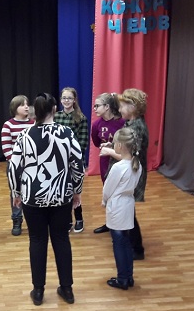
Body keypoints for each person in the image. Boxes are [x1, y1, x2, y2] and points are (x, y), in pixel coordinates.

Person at [8, 93, 85, 306]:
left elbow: (14, 167)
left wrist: (16, 192)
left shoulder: (24, 135)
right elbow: (78, 164)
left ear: (36, 111)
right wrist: (77, 190)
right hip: (61, 196)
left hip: (32, 197)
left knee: (37, 240)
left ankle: (38, 291)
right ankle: (67, 289)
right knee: (61, 239)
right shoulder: (66, 133)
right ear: (53, 109)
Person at [99, 88, 149, 260]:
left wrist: (109, 152)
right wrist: (112, 145)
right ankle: (119, 230)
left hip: (130, 173)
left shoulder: (137, 128)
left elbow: (131, 156)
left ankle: (137, 248)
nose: (119, 110)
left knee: (128, 211)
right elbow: (126, 146)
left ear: (132, 107)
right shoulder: (130, 123)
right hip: (126, 171)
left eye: (121, 106)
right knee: (127, 209)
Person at [101, 127, 143, 290]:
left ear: (119, 145)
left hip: (117, 206)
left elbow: (108, 189)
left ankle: (122, 278)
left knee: (118, 243)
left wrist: (104, 201)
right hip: (128, 204)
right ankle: (128, 276)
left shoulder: (118, 167)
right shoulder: (136, 164)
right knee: (126, 243)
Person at [54, 87, 89, 233]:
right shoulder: (56, 117)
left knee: (75, 190)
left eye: (69, 98)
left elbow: (83, 143)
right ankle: (67, 220)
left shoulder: (81, 118)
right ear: (60, 100)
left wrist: (70, 156)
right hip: (58, 162)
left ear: (74, 100)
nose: (66, 100)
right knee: (63, 191)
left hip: (74, 162)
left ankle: (79, 219)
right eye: (64, 98)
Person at [90, 92, 125, 234]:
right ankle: (110, 223)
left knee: (121, 194)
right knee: (109, 192)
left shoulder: (122, 122)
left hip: (121, 161)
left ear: (107, 107)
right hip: (105, 162)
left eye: (97, 106)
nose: (95, 109)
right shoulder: (96, 125)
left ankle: (122, 225)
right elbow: (96, 142)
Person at [0, 95, 34, 236]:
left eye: (27, 104)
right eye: (22, 105)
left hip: (32, 166)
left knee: (32, 191)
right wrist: (16, 162)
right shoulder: (8, 125)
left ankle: (32, 220)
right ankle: (17, 219)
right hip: (15, 166)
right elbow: (6, 148)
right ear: (15, 108)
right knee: (16, 192)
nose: (26, 107)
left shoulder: (33, 123)